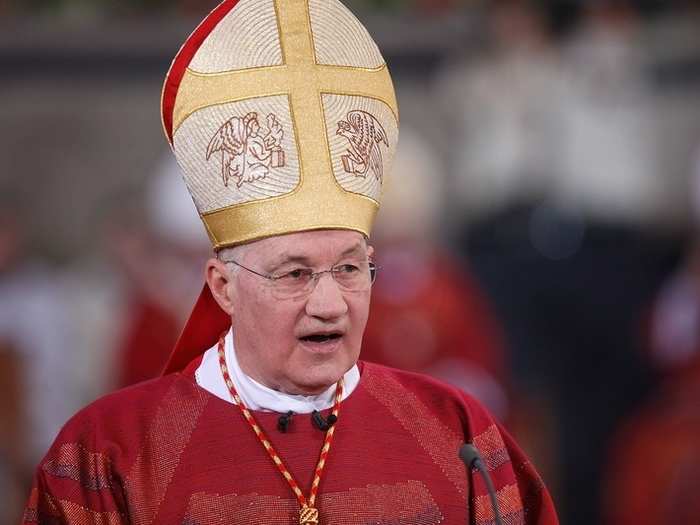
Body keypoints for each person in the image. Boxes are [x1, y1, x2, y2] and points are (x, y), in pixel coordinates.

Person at [22, 1, 558, 523]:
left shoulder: (458, 434)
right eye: (294, 273)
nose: (329, 305)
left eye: (349, 269)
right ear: (222, 286)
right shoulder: (108, 452)